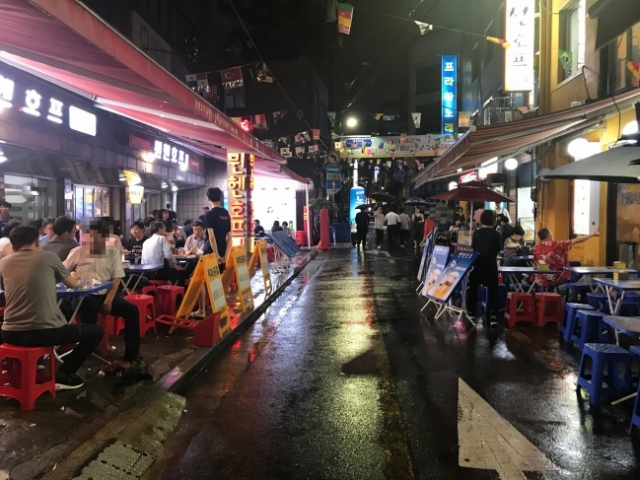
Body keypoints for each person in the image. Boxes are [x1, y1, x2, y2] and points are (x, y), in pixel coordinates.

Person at [0, 226, 103, 389]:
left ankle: (34, 366)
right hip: (44, 333)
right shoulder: (49, 257)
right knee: (96, 331)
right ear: (36, 242)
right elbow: (74, 285)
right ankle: (64, 373)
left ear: (13, 246)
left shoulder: (3, 263)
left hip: (10, 333)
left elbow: (7, 290)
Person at [64, 219, 145, 374]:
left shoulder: (113, 252)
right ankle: (88, 350)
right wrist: (72, 276)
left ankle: (131, 355)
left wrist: (108, 301)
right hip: (83, 297)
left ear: (105, 237)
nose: (92, 240)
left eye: (97, 237)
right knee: (90, 307)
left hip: (106, 295)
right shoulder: (77, 252)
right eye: (90, 236)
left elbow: (116, 278)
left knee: (132, 310)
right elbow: (62, 272)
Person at [193, 188, 231, 319]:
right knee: (215, 280)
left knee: (197, 279)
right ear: (220, 198)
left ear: (208, 199)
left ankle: (201, 310)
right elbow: (230, 237)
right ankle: (218, 310)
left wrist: (215, 254)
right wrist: (224, 255)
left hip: (210, 251)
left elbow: (211, 237)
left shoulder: (209, 215)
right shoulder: (226, 213)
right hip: (222, 250)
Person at [466, 210, 502, 328]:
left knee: (473, 289)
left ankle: (471, 313)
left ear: (481, 220)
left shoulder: (476, 234)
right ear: (493, 221)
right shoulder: (496, 235)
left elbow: (474, 247)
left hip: (477, 264)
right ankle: (493, 317)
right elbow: (498, 249)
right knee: (493, 290)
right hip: (490, 265)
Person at [533, 228, 599, 287]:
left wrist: (547, 268)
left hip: (540, 278)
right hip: (556, 277)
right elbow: (578, 240)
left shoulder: (536, 248)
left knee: (546, 267)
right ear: (548, 235)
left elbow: (537, 265)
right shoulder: (558, 244)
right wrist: (592, 234)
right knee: (569, 272)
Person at [141, 221, 187, 285]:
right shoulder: (162, 238)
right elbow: (168, 256)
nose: (165, 231)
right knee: (183, 272)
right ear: (160, 229)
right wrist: (175, 266)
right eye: (164, 228)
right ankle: (179, 293)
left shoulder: (146, 241)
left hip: (147, 273)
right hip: (160, 272)